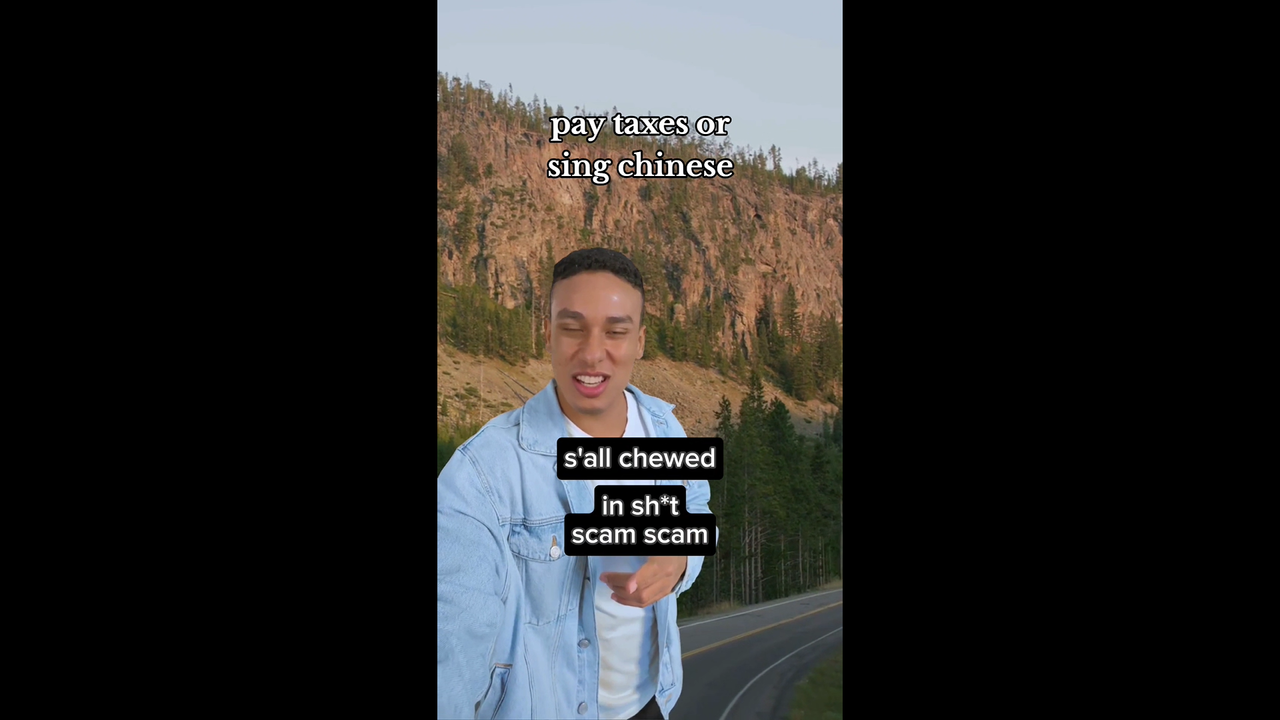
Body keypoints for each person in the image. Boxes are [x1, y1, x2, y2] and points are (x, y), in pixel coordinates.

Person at [437, 248, 716, 719]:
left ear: (639, 341)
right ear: (547, 333)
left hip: (654, 703)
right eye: (572, 328)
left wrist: (682, 559)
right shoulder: (482, 475)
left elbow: (697, 511)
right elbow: (453, 638)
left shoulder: (665, 428)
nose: (591, 352)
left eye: (615, 331)